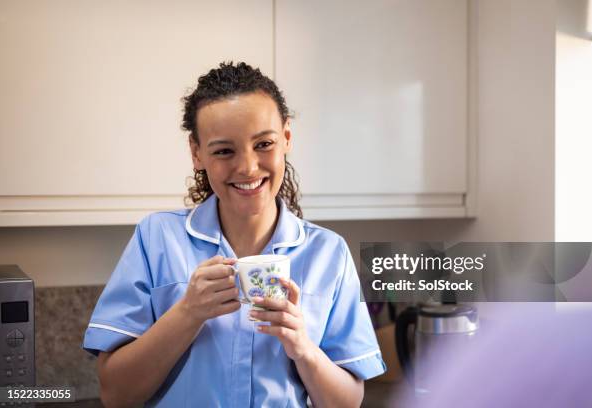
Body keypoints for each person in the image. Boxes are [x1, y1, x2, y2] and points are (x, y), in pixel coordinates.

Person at [82, 62, 386, 407]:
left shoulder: (329, 253)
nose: (248, 167)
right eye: (224, 150)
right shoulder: (156, 239)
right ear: (197, 153)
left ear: (286, 138)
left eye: (264, 144)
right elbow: (116, 394)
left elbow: (347, 402)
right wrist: (188, 313)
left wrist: (303, 349)